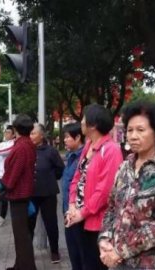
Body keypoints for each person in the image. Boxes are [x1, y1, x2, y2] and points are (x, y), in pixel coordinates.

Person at [98, 101, 155, 270]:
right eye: (130, 130)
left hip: (149, 264)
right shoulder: (124, 167)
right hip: (116, 261)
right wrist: (104, 240)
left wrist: (121, 250)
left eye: (140, 130)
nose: (133, 136)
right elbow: (111, 208)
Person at [66, 104, 123, 270]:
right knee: (79, 261)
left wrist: (82, 212)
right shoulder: (88, 145)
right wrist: (71, 205)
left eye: (84, 118)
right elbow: (77, 176)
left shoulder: (111, 150)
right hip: (78, 216)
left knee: (93, 264)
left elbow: (105, 191)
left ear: (93, 125)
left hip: (95, 221)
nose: (81, 122)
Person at [0, 114, 37, 270]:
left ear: (16, 128)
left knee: (21, 237)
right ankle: (20, 265)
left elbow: (13, 173)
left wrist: (0, 187)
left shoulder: (21, 147)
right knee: (22, 235)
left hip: (19, 195)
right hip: (24, 193)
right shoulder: (27, 144)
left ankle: (26, 267)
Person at [28, 123, 65, 263]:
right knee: (29, 223)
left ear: (41, 135)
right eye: (30, 133)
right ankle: (28, 252)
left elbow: (60, 169)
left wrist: (49, 179)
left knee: (51, 223)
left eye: (33, 133)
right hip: (31, 193)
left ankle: (54, 251)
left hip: (48, 193)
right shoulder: (27, 150)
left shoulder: (51, 151)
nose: (31, 136)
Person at [61, 122, 85, 270]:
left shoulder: (84, 158)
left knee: (81, 256)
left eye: (67, 137)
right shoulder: (71, 156)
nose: (64, 140)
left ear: (77, 137)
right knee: (73, 255)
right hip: (68, 213)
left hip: (79, 215)